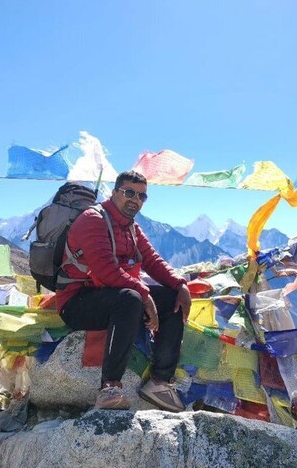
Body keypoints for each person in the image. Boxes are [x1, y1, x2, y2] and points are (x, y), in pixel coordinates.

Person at [55, 170, 192, 412]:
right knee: (131, 298)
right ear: (114, 192)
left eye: (142, 196)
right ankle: (109, 388)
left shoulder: (131, 228)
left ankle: (160, 382)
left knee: (171, 299)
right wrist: (145, 294)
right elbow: (105, 268)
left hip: (109, 294)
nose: (135, 200)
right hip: (76, 302)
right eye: (129, 192)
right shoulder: (93, 219)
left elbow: (152, 260)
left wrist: (180, 284)